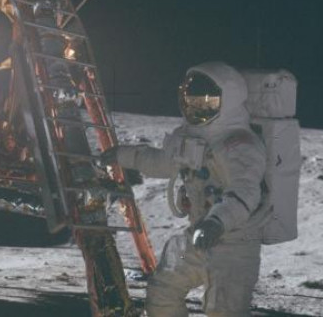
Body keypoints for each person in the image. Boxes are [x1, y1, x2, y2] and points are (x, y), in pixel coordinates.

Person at [103, 61, 271, 317]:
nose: (198, 107)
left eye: (207, 102)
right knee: (163, 289)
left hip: (235, 247)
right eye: (193, 101)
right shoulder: (189, 137)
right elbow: (160, 162)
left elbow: (244, 192)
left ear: (228, 101)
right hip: (199, 238)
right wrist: (122, 155)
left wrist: (217, 221)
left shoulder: (239, 144)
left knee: (224, 310)